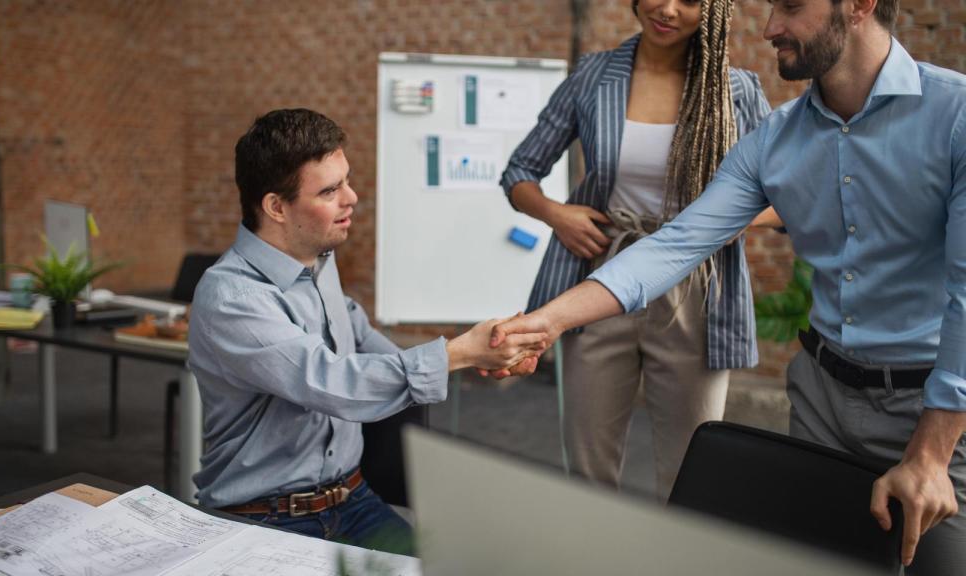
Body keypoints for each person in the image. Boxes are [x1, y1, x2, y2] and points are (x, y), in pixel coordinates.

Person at [492, 0, 966, 570]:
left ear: (859, 5)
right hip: (821, 398)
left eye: (790, 7)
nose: (769, 28)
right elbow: (677, 243)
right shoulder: (775, 138)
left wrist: (933, 452)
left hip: (935, 410)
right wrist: (547, 320)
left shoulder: (955, 114)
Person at [187, 108, 544, 554]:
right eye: (330, 190)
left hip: (352, 499)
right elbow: (333, 383)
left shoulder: (317, 259)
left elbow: (353, 329)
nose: (352, 198)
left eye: (346, 181)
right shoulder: (233, 298)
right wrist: (456, 355)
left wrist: (486, 352)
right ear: (276, 207)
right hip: (268, 516)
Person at [499, 0, 776, 499]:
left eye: (689, 1)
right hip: (599, 276)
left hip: (696, 284)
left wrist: (732, 218)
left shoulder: (735, 90)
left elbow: (790, 197)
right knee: (588, 468)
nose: (667, 9)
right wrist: (557, 215)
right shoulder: (594, 75)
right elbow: (520, 172)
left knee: (693, 469)